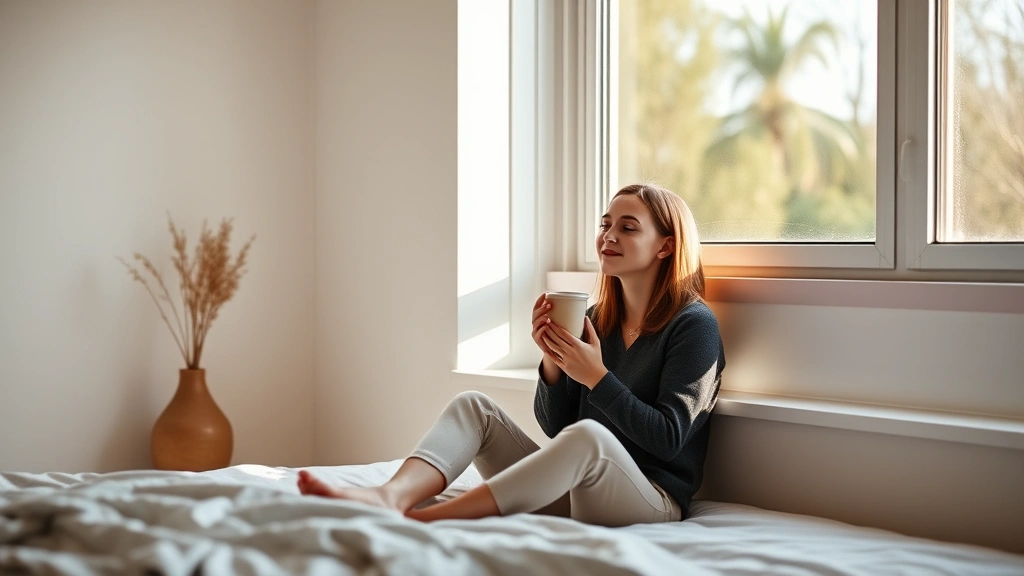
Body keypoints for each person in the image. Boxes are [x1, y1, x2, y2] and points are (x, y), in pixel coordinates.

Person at [297, 183, 725, 526]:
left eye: (628, 227)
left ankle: (426, 520)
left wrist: (597, 377)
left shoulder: (694, 325)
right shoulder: (598, 319)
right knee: (475, 407)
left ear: (666, 246)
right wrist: (555, 363)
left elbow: (669, 440)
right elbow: (559, 430)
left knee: (591, 438)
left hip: (650, 499)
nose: (608, 236)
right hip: (578, 491)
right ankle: (390, 496)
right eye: (605, 223)